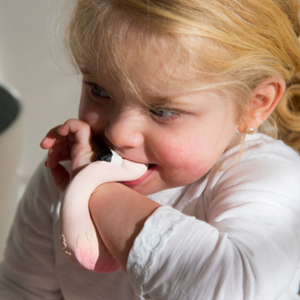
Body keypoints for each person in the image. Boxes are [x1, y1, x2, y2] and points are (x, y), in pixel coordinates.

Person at [1, 0, 300, 299]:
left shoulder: (272, 175)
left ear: (254, 103)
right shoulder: (67, 170)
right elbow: (22, 288)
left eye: (163, 111)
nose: (119, 133)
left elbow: (232, 289)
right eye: (99, 90)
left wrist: (94, 191)